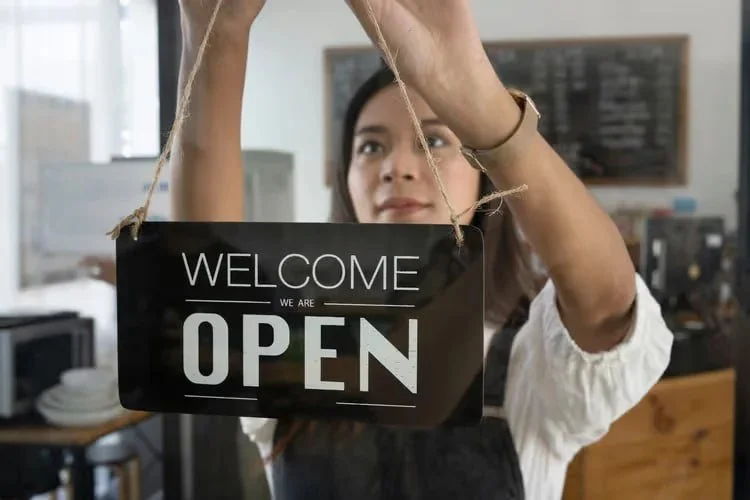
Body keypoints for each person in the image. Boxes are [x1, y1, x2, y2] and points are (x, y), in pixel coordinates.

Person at [173, 1, 674, 499]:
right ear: (346, 182)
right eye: (370, 146)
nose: (396, 166)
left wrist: (482, 105)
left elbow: (608, 307)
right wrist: (216, 36)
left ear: (482, 181)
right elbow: (203, 273)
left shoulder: (527, 357)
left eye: (433, 142)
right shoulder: (293, 341)